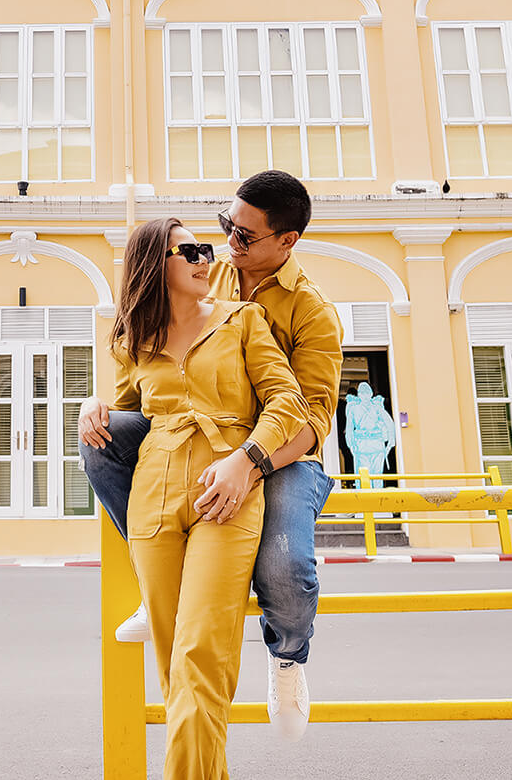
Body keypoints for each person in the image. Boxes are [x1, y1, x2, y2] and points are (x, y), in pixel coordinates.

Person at [80, 169, 344, 741]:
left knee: (284, 566)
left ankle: (289, 657)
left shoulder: (313, 312)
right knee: (105, 439)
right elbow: (146, 372)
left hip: (284, 454)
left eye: (244, 235)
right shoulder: (207, 271)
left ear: (286, 241)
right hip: (196, 441)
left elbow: (311, 420)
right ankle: (161, 577)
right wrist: (95, 404)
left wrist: (248, 463)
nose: (227, 244)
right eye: (227, 226)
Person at [105, 216, 308, 780]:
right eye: (188, 250)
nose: (205, 258)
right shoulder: (134, 341)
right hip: (153, 493)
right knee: (176, 672)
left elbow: (287, 402)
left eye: (204, 248)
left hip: (229, 492)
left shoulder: (243, 320)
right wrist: (90, 410)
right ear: (156, 264)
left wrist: (247, 462)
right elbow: (126, 416)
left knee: (202, 657)